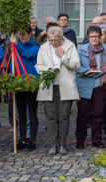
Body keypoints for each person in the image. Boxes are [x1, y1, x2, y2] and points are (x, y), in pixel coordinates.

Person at [35, 26, 80, 155]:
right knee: (51, 117)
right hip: (49, 86)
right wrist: (47, 71)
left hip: (65, 85)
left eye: (56, 40)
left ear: (61, 38)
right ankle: (53, 144)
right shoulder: (44, 47)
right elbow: (38, 66)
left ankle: (62, 144)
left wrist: (62, 57)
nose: (53, 43)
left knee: (64, 116)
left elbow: (76, 65)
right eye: (51, 40)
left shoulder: (70, 45)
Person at [75, 25, 106, 149]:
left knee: (98, 114)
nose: (94, 38)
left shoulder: (105, 49)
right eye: (92, 36)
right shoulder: (82, 49)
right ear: (88, 37)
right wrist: (86, 71)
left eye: (97, 36)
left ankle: (96, 139)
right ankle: (80, 140)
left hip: (100, 84)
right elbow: (77, 66)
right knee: (83, 114)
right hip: (84, 84)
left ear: (100, 36)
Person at [9, 26, 40, 151]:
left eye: (23, 34)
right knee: (21, 115)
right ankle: (22, 139)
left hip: (31, 84)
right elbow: (13, 65)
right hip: (18, 84)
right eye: (19, 34)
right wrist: (11, 83)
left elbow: (27, 54)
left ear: (30, 34)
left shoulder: (35, 47)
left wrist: (17, 45)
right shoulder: (15, 48)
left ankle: (32, 140)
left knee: (32, 114)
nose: (21, 37)